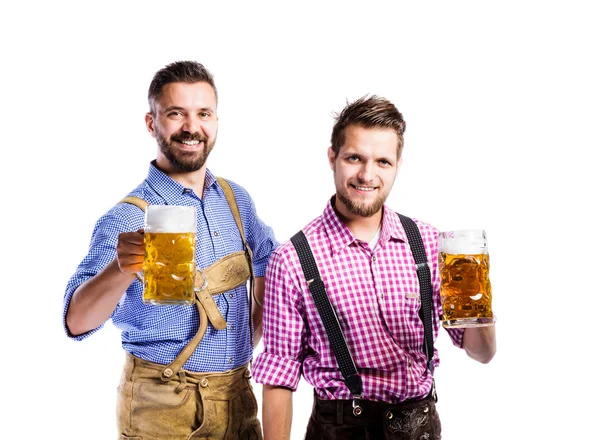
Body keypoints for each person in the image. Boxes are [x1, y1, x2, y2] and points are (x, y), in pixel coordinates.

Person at [253, 95, 496, 439]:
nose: (367, 175)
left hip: (421, 426)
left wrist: (479, 305)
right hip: (340, 429)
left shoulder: (427, 242)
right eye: (355, 158)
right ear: (332, 158)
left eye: (383, 162)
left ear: (397, 165)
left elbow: (482, 353)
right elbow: (279, 376)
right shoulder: (292, 260)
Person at [63, 61, 277, 440]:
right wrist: (120, 269)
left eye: (203, 114)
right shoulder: (126, 216)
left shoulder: (235, 199)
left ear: (215, 121)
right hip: (162, 406)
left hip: (238, 400)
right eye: (176, 114)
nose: (192, 128)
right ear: (152, 123)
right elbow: (75, 322)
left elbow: (268, 259)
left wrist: (255, 326)